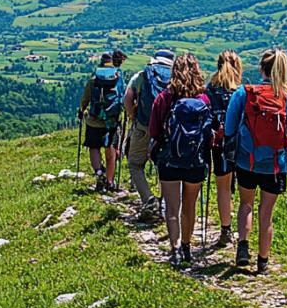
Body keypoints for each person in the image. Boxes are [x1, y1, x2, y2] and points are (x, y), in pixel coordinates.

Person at [223, 48, 287, 274]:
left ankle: (243, 246)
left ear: (261, 68)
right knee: (267, 213)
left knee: (246, 204)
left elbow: (229, 127)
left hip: (247, 160)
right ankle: (263, 262)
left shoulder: (244, 93)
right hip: (275, 165)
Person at [149, 54, 214, 268]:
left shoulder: (164, 98)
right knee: (189, 205)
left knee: (172, 207)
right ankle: (187, 246)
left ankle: (174, 247)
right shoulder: (203, 100)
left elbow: (154, 130)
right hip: (195, 161)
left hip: (169, 160)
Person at [124, 49, 174, 214]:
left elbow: (128, 99)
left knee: (135, 164)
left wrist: (133, 117)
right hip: (167, 130)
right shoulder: (176, 78)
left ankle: (149, 199)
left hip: (143, 127)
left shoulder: (142, 75)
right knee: (165, 167)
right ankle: (167, 204)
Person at [204, 50, 243, 247]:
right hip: (242, 144)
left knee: (223, 188)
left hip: (219, 144)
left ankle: (225, 229)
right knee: (246, 192)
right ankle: (244, 232)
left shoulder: (210, 88)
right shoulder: (241, 90)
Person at [78, 52, 125, 191]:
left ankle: (99, 173)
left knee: (94, 147)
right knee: (110, 148)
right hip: (112, 121)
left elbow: (85, 100)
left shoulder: (93, 80)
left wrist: (82, 111)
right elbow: (123, 97)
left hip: (94, 120)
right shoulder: (118, 78)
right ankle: (110, 182)